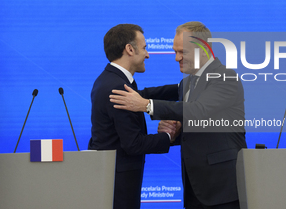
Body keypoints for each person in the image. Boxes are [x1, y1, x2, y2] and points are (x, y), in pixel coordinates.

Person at [110, 21, 247, 209]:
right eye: (175, 51)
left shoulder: (225, 77)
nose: (177, 58)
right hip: (194, 188)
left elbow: (199, 111)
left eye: (183, 52)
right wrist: (174, 133)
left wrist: (146, 105)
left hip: (222, 189)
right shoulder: (187, 83)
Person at [87, 24, 180, 209]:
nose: (147, 54)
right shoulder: (118, 87)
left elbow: (142, 95)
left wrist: (181, 89)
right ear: (129, 49)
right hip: (120, 184)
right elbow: (134, 144)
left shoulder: (109, 79)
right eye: (145, 48)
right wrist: (169, 136)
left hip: (111, 177)